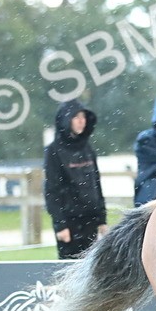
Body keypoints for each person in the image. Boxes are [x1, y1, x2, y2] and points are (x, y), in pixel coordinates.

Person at [43, 99, 107, 259]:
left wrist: (101, 219)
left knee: (90, 269)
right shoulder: (54, 151)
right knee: (69, 269)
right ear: (66, 120)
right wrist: (60, 225)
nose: (81, 121)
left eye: (83, 117)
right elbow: (52, 190)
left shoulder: (87, 148)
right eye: (76, 117)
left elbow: (96, 184)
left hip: (90, 220)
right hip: (69, 222)